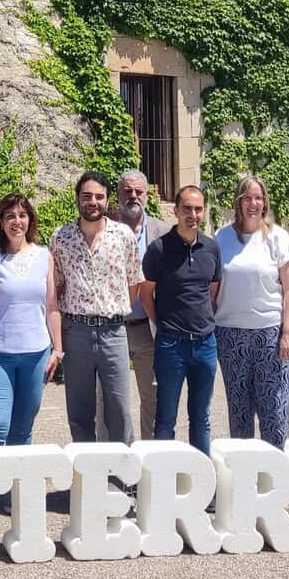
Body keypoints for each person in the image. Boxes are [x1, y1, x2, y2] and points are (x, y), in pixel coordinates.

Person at [0, 193, 63, 475]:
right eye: (10, 216)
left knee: (22, 428)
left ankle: (15, 491)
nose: (16, 222)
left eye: (22, 216)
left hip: (35, 355)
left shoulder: (44, 257)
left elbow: (52, 308)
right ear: (1, 222)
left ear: (30, 220)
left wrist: (57, 350)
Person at [51, 171, 142, 445]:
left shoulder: (123, 235)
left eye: (99, 197)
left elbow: (134, 283)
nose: (93, 202)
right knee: (79, 411)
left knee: (119, 409)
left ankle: (122, 466)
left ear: (107, 200)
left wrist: (113, 311)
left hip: (113, 332)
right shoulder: (61, 238)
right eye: (87, 196)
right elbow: (57, 286)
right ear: (77, 198)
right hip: (76, 331)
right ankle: (85, 467)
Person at [213, 175, 289, 449]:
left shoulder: (278, 237)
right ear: (238, 202)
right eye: (247, 198)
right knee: (239, 414)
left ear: (265, 202)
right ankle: (243, 472)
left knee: (274, 412)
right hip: (230, 335)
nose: (253, 203)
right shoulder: (222, 238)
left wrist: (287, 332)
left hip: (271, 334)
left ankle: (276, 471)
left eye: (258, 198)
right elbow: (212, 288)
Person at [139, 185, 222, 455]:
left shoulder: (211, 248)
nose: (193, 215)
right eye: (187, 208)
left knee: (201, 418)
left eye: (198, 209)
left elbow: (212, 292)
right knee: (165, 418)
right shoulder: (159, 249)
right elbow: (146, 294)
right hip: (171, 345)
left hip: (205, 345)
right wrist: (162, 324)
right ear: (175, 211)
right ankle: (164, 474)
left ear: (204, 212)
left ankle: (201, 475)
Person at [112, 169, 170, 440]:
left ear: (148, 195)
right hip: (113, 328)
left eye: (138, 191)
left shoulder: (164, 232)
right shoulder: (105, 228)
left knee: (154, 399)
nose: (133, 196)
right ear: (118, 194)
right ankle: (116, 457)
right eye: (127, 191)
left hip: (149, 327)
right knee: (111, 400)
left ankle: (150, 456)